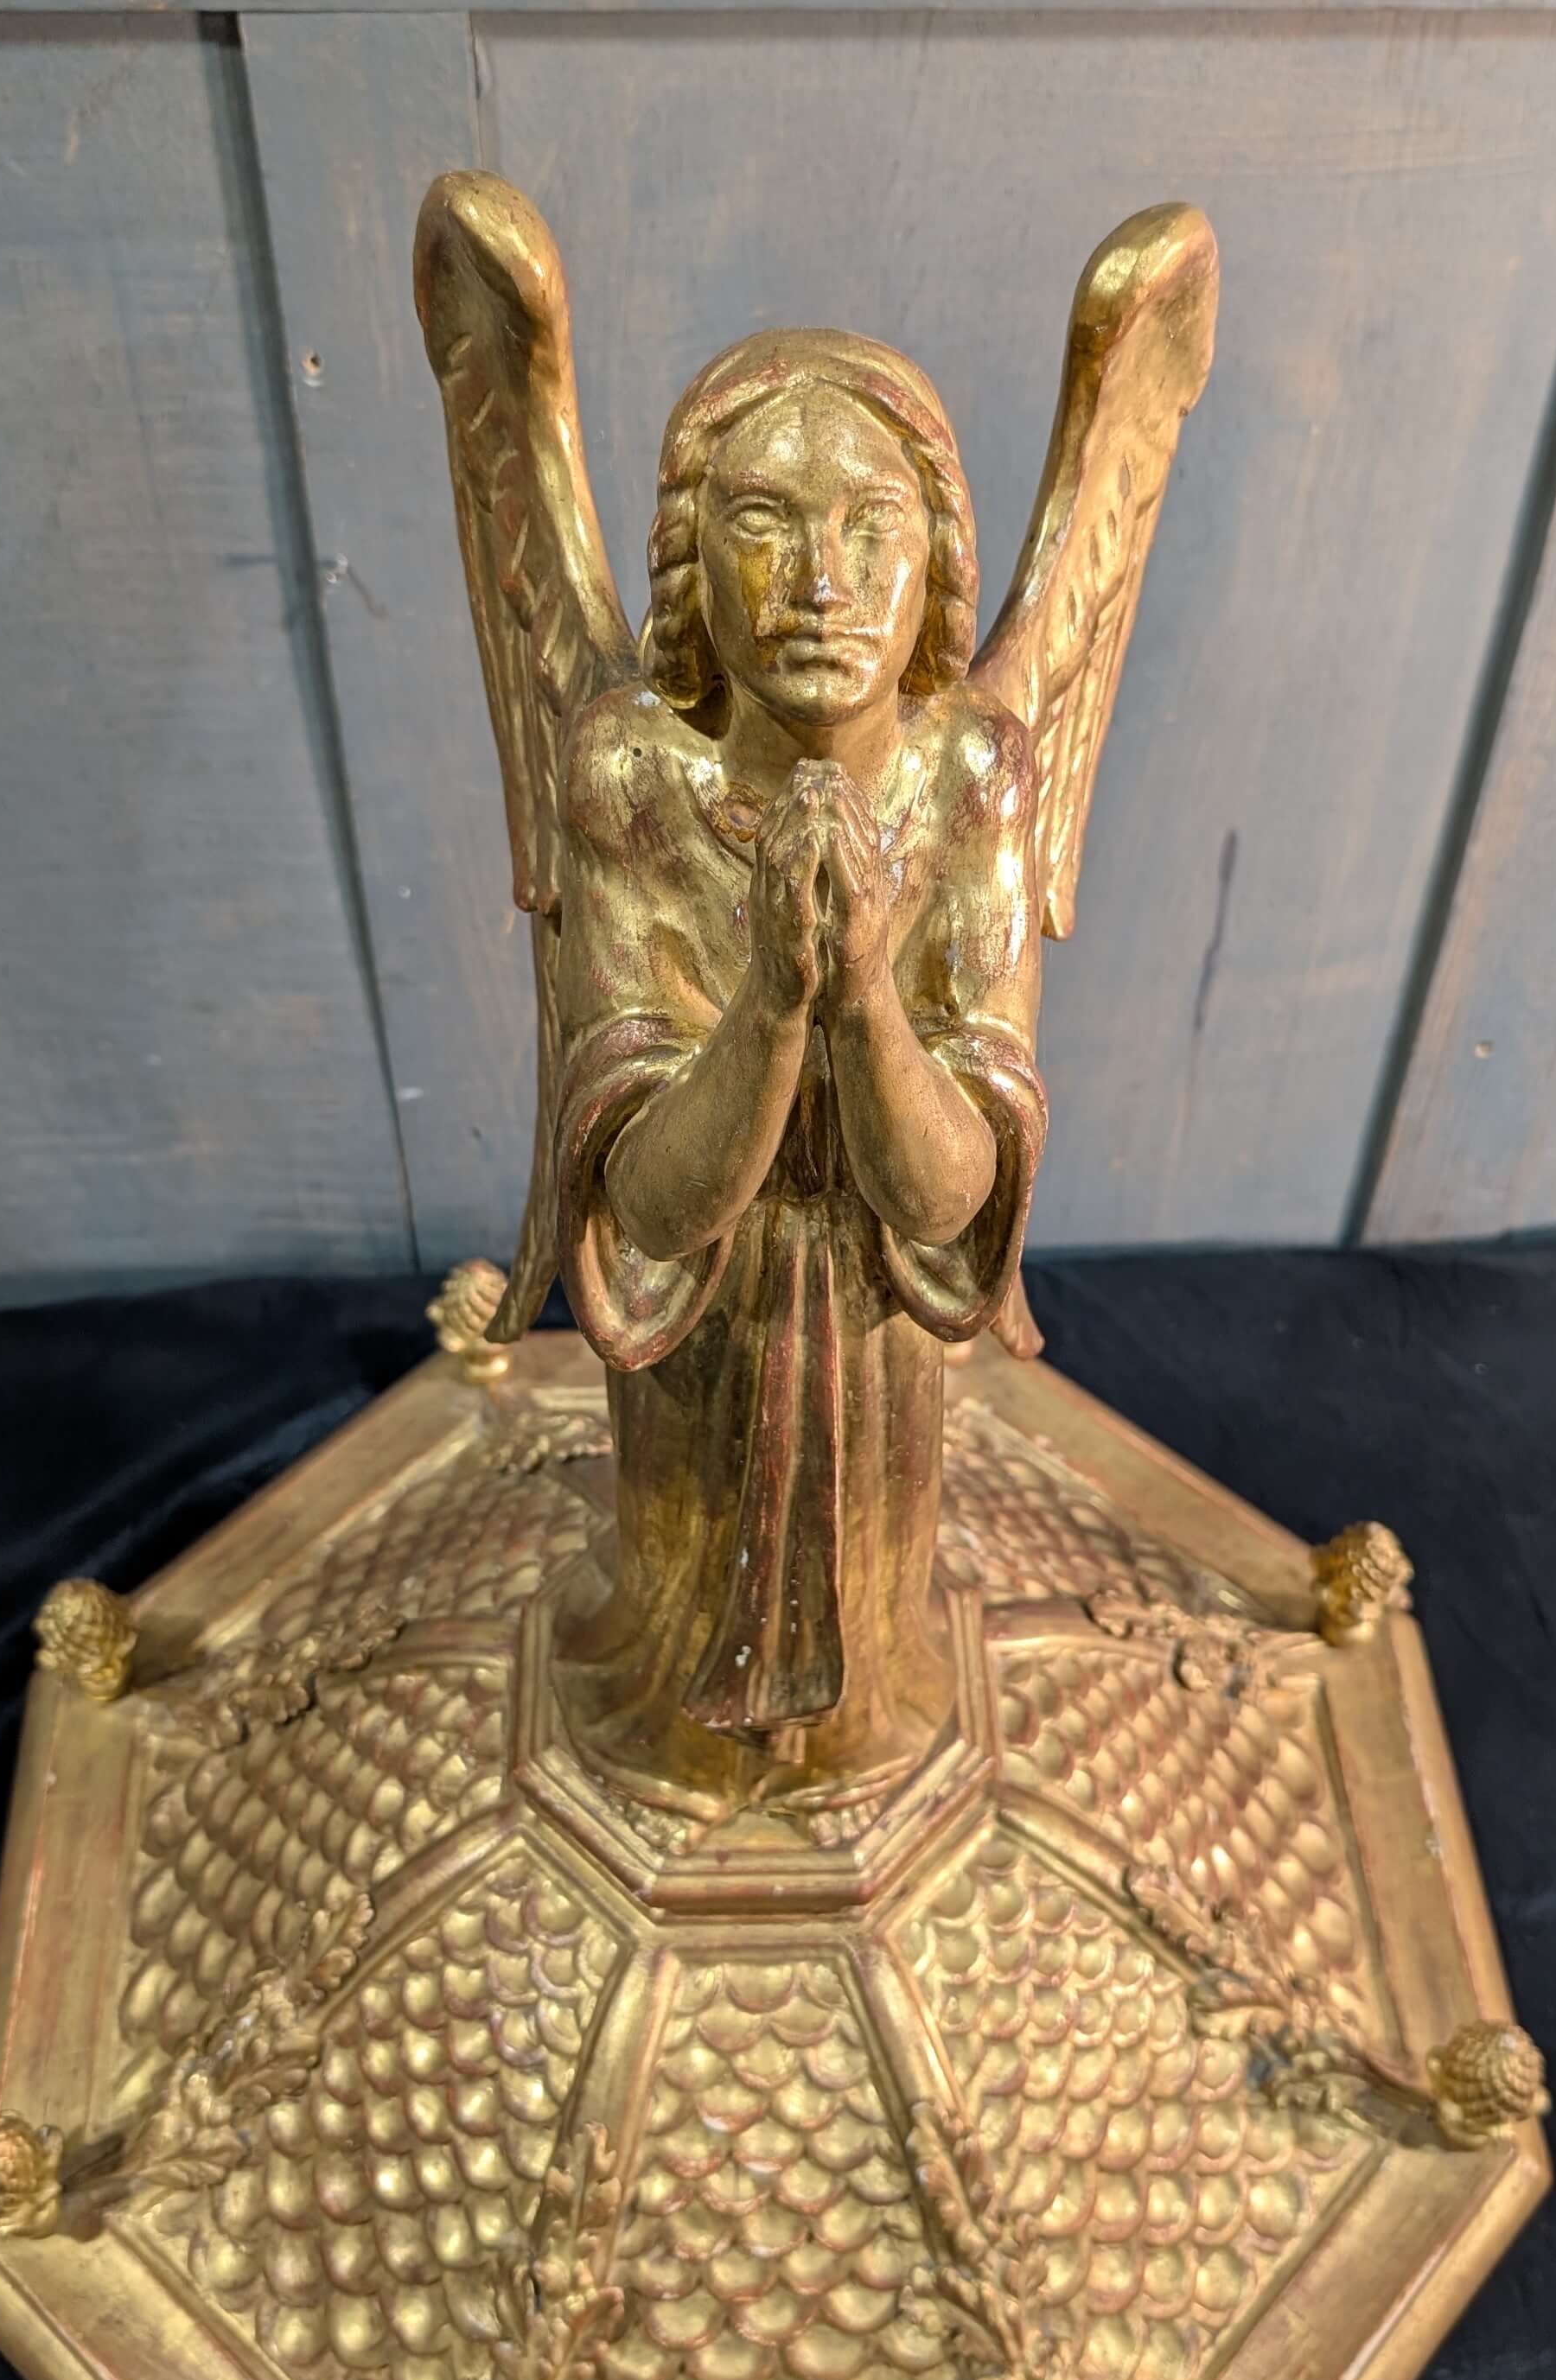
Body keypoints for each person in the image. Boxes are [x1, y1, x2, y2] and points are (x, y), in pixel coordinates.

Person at [547, 332, 1047, 1809]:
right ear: (689, 561)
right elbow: (649, 1209)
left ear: (935, 561)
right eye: (762, 521)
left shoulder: (969, 779)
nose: (822, 582)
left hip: (884, 1323)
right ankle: (676, 1746)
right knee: (672, 1629)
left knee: (877, 1651)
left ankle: (860, 1739)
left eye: (872, 525)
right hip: (701, 1323)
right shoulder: (632, 778)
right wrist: (771, 999)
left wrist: (863, 990)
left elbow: (948, 1205)